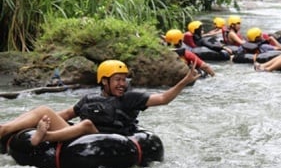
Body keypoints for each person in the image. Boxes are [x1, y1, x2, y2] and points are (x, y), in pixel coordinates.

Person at [0, 60, 200, 146]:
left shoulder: (131, 98)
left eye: (124, 80)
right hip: (75, 138)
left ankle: (45, 137)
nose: (122, 84)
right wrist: (42, 119)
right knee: (43, 109)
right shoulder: (89, 99)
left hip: (111, 139)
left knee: (86, 124)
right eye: (117, 80)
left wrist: (185, 81)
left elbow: (164, 99)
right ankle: (5, 129)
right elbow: (67, 114)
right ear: (104, 81)